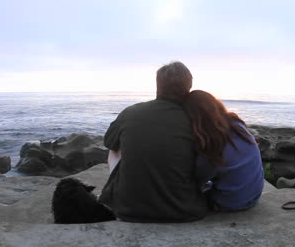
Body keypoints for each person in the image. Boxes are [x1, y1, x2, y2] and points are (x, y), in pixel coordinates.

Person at [98, 61, 208, 222]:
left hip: (128, 210)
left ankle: (124, 192)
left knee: (114, 149)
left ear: (158, 85)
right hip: (185, 210)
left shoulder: (131, 112)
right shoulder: (196, 119)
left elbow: (110, 143)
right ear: (189, 86)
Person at [183, 90, 264, 211]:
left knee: (181, 199)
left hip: (230, 202)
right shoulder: (236, 123)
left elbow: (199, 178)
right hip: (254, 195)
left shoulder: (212, 140)